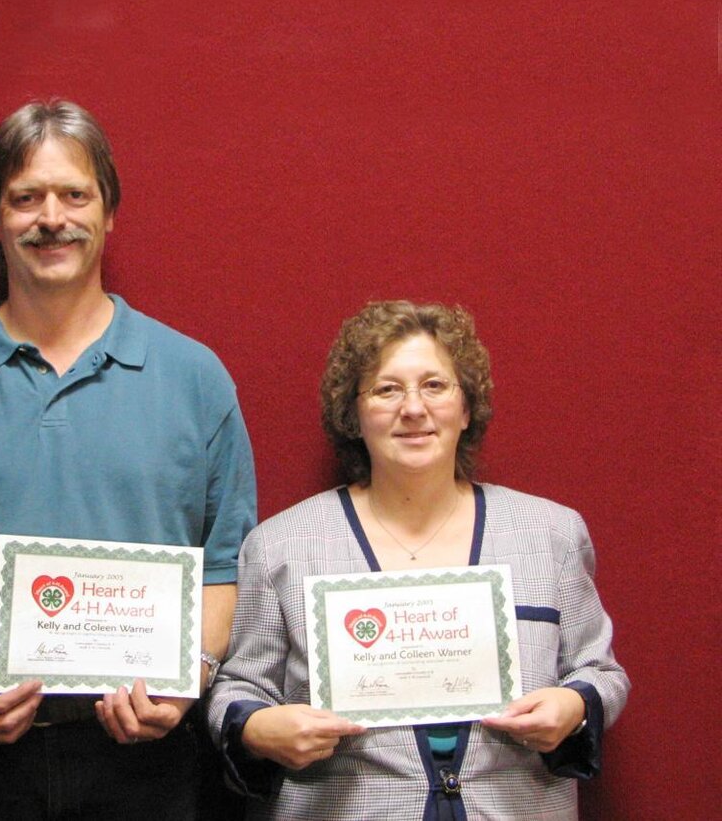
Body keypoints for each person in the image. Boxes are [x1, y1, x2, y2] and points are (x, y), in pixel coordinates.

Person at [0, 100, 256, 819]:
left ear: (110, 212)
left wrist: (193, 677)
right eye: (25, 198)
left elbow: (226, 563)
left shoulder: (196, 378)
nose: (51, 217)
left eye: (74, 194)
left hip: (144, 762)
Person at [207, 300, 628, 820]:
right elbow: (241, 686)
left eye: (435, 385)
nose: (413, 408)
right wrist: (255, 729)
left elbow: (599, 670)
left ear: (467, 407)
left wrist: (575, 707)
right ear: (353, 414)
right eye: (387, 389)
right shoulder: (282, 546)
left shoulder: (552, 536)